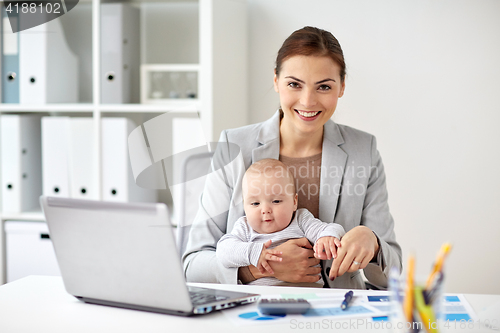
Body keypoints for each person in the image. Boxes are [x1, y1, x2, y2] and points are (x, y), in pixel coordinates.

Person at [183, 26, 402, 289]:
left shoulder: (362, 150)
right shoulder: (235, 146)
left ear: (342, 87)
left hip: (337, 313)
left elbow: (394, 275)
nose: (308, 101)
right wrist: (258, 269)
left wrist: (374, 243)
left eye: (323, 86)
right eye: (294, 84)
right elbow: (192, 266)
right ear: (276, 80)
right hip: (256, 314)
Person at [216, 159, 345, 287]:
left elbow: (331, 228)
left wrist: (327, 237)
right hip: (261, 297)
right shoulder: (244, 227)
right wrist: (253, 253)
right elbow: (223, 250)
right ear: (244, 206)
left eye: (276, 201)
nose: (265, 210)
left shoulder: (301, 219)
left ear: (294, 202)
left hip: (309, 295)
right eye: (255, 203)